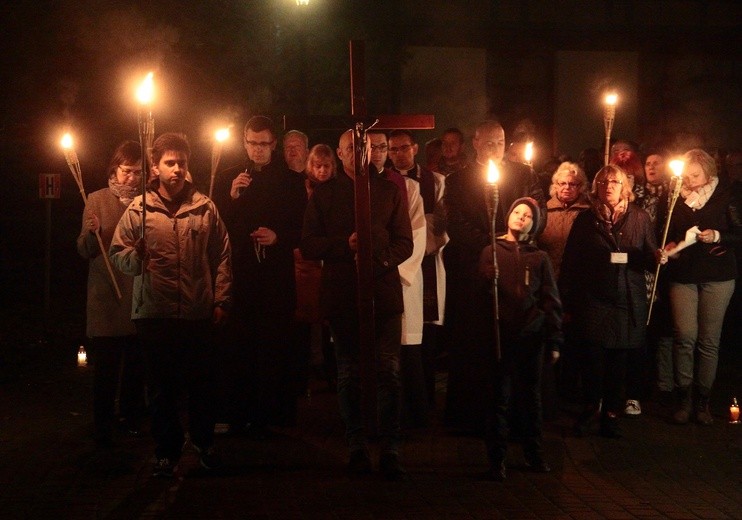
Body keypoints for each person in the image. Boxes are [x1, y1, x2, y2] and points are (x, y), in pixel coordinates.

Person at [109, 132, 232, 477]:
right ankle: (167, 449)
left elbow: (221, 254)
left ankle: (204, 441)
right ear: (155, 167)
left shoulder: (205, 207)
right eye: (170, 163)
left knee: (200, 385)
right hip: (154, 313)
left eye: (182, 163)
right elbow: (118, 253)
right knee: (161, 389)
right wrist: (137, 257)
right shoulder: (139, 209)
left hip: (196, 311)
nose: (177, 169)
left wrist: (221, 298)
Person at [301, 129, 413, 480]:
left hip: (383, 294)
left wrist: (376, 261)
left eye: (362, 147)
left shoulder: (388, 191)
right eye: (349, 147)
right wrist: (344, 247)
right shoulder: (325, 194)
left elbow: (405, 242)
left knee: (389, 371)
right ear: (339, 152)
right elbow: (309, 244)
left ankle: (391, 447)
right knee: (348, 372)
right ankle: (356, 445)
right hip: (342, 294)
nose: (356, 153)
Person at [444, 119, 545, 432]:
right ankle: (473, 417)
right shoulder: (458, 180)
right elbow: (456, 223)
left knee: (514, 346)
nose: (495, 148)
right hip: (475, 273)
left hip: (516, 272)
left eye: (500, 142)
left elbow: (537, 213)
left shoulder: (524, 175)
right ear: (475, 143)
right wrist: (491, 244)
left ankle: (516, 418)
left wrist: (513, 239)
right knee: (476, 347)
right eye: (488, 142)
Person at [560, 165, 658, 438]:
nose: (609, 186)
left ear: (624, 185)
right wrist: (566, 300)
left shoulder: (639, 217)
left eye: (614, 181)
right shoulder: (586, 220)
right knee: (594, 359)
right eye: (603, 182)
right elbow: (571, 262)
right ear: (596, 187)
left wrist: (657, 257)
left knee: (619, 362)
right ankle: (592, 407)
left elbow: (650, 256)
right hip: (595, 298)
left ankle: (611, 414)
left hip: (627, 298)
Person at [225, 116, 308, 432]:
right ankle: (240, 413)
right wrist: (231, 199)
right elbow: (221, 227)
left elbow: (302, 228)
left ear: (274, 145)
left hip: (275, 276)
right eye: (252, 143)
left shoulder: (290, 181)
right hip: (244, 274)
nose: (257, 150)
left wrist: (278, 237)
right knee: (243, 344)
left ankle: (274, 416)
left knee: (275, 346)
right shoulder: (233, 178)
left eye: (264, 144)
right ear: (244, 143)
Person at [476, 198, 562, 481]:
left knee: (530, 398)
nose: (521, 217)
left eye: (527, 215)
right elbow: (479, 295)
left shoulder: (539, 258)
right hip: (500, 335)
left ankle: (533, 453)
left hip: (531, 337)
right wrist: (487, 278)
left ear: (535, 224)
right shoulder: (491, 250)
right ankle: (496, 459)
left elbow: (550, 300)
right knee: (498, 398)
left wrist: (554, 339)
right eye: (517, 212)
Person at [662, 149, 741, 425]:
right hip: (684, 274)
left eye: (695, 176)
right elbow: (668, 231)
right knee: (684, 335)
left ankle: (703, 401)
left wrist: (718, 235)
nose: (690, 181)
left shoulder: (726, 195)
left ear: (708, 172)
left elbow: (738, 232)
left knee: (709, 340)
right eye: (686, 176)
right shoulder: (674, 196)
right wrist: (670, 247)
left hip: (718, 275)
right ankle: (683, 397)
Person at [77, 140, 146, 447]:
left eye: (137, 172)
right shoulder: (96, 199)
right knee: (106, 366)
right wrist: (92, 233)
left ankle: (131, 417)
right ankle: (103, 421)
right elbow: (84, 249)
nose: (131, 178)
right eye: (126, 171)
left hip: (136, 294)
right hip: (106, 295)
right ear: (114, 169)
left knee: (134, 365)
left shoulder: (146, 201)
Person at [294, 144, 337, 393]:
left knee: (327, 314)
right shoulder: (303, 188)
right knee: (306, 313)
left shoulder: (337, 189)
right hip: (306, 259)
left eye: (326, 166)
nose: (321, 171)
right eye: (317, 166)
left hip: (328, 255)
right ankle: (308, 367)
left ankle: (326, 365)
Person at [537, 162, 590, 279]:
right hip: (548, 276)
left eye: (572, 184)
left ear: (580, 187)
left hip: (577, 277)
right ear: (555, 186)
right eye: (562, 183)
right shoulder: (544, 211)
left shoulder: (587, 213)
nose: (567, 187)